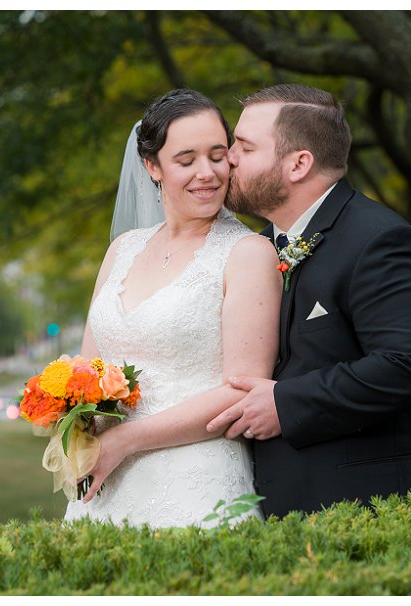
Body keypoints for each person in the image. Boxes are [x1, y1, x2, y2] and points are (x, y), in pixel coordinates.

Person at [207, 83, 411, 517]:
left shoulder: (380, 241)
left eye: (244, 146)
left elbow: (409, 365)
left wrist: (287, 403)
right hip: (281, 509)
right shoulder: (258, 248)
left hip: (379, 512)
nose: (228, 157)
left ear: (298, 164)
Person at [63, 89, 282, 527]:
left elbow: (242, 389)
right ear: (152, 166)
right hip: (105, 482)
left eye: (218, 156)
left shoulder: (248, 253)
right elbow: (86, 370)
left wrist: (124, 441)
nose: (207, 173)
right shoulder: (122, 250)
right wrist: (72, 421)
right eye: (187, 160)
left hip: (197, 478)